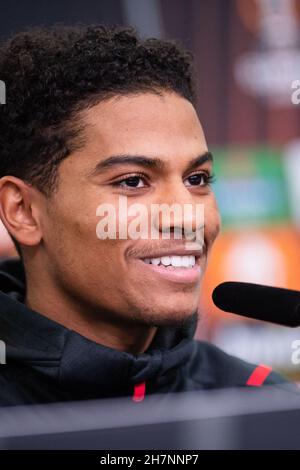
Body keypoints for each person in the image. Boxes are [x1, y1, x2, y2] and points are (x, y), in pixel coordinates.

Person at [0, 24, 289, 406]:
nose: (187, 216)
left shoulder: (265, 405)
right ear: (23, 211)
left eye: (197, 178)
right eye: (134, 182)